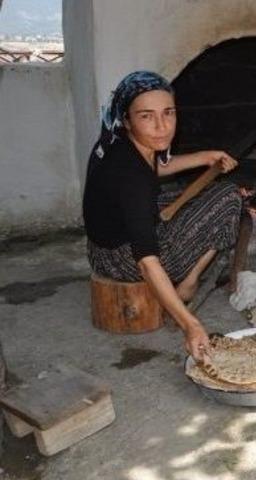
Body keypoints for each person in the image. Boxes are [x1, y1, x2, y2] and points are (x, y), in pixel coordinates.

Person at [83, 71, 243, 363]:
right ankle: (189, 282)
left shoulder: (118, 141)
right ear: (128, 119)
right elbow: (146, 261)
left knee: (193, 197)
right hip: (123, 261)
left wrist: (206, 156)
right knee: (228, 196)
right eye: (147, 116)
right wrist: (190, 325)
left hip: (101, 247)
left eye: (168, 113)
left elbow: (154, 168)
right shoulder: (130, 177)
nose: (161, 126)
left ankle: (187, 276)